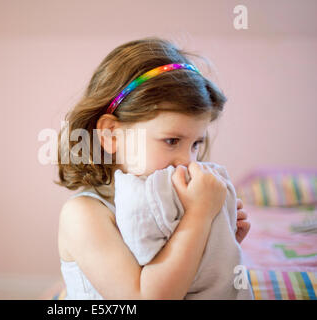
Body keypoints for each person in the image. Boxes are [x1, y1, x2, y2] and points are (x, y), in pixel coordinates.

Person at [56, 37, 251, 299]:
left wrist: (218, 240)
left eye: (195, 144)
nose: (188, 161)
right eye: (171, 141)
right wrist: (200, 215)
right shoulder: (84, 214)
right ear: (112, 134)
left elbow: (179, 276)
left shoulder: (168, 201)